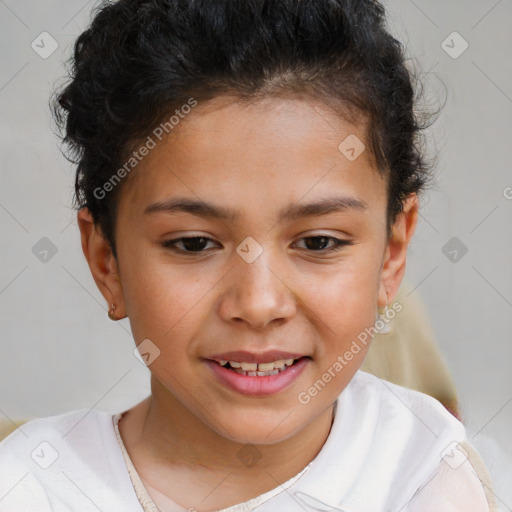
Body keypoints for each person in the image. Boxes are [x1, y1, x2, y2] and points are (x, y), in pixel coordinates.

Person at [0, 0, 494, 510]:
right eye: (193, 244)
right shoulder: (32, 487)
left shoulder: (422, 474)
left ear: (392, 253)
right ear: (108, 262)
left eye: (318, 242)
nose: (258, 305)